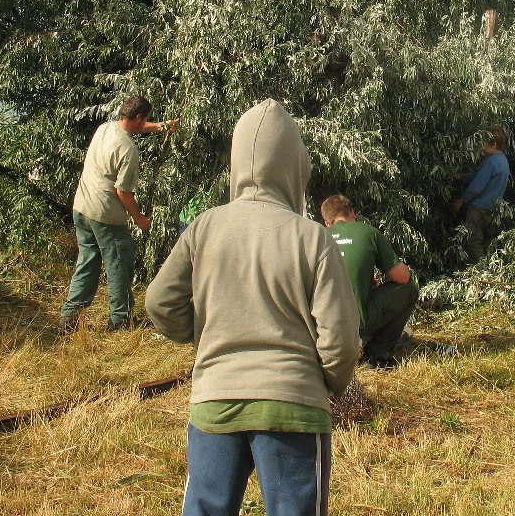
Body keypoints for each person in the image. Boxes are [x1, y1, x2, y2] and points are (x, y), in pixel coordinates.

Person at [145, 99, 360, 516]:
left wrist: (209, 342)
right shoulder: (313, 237)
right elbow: (342, 339)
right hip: (294, 403)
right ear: (296, 166)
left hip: (215, 398)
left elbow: (159, 303)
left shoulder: (203, 227)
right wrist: (325, 384)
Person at [59, 96, 179, 333]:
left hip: (82, 207)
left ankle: (69, 317)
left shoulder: (105, 128)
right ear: (137, 117)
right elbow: (123, 193)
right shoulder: (128, 150)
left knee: (88, 261)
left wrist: (163, 125)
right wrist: (140, 219)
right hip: (105, 214)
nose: (145, 122)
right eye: (144, 119)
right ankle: (119, 322)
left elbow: (138, 126)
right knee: (119, 264)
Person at [321, 194, 418, 370]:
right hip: (355, 323)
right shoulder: (368, 232)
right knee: (409, 290)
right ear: (353, 213)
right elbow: (402, 277)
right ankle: (377, 355)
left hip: (320, 326)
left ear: (327, 222)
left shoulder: (316, 237)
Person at [454, 128, 510, 262]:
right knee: (486, 242)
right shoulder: (502, 161)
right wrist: (461, 177)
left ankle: (479, 271)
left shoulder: (490, 162)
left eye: (484, 143)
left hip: (478, 209)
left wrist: (461, 201)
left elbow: (476, 187)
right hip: (492, 208)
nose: (481, 146)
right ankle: (488, 268)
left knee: (473, 242)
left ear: (494, 144)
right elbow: (479, 176)